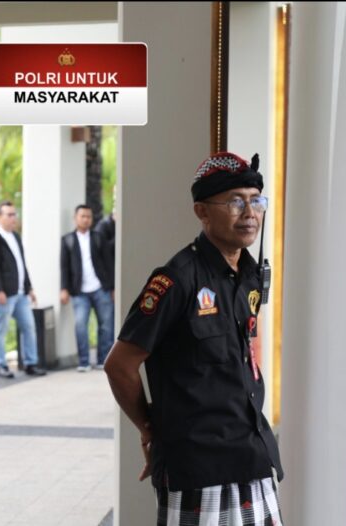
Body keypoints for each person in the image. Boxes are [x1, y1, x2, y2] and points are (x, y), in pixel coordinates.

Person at [103, 152, 284, 526]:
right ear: (202, 212)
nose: (250, 213)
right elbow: (119, 365)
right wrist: (150, 428)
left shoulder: (249, 275)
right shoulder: (176, 279)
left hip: (251, 454)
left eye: (256, 200)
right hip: (198, 466)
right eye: (235, 202)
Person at [0, 201, 46, 378]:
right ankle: (0, 365)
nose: (13, 218)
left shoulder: (15, 236)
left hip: (20, 293)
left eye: (14, 214)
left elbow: (21, 264)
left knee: (29, 327)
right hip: (4, 294)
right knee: (0, 330)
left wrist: (29, 288)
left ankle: (31, 363)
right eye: (9, 215)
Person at [60, 204, 114, 372]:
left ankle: (103, 359)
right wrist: (64, 289)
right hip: (79, 291)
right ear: (75, 218)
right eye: (82, 216)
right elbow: (64, 267)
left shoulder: (98, 237)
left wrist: (112, 288)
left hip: (101, 288)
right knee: (80, 326)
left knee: (106, 325)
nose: (85, 219)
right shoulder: (67, 240)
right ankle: (83, 361)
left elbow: (109, 263)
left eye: (88, 217)